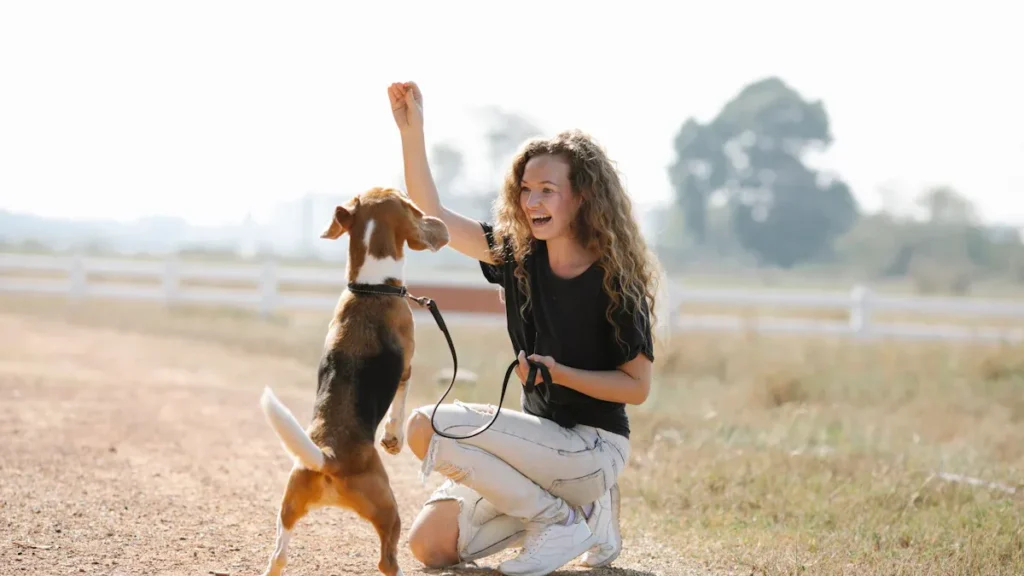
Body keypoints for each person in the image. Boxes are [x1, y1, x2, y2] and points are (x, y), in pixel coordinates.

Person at [386, 81, 660, 576]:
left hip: (593, 449)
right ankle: (584, 519)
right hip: (538, 450)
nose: (533, 200)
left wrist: (561, 373)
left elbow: (637, 388)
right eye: (526, 190)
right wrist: (412, 132)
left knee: (424, 425)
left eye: (548, 190)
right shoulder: (517, 256)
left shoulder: (617, 281)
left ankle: (558, 518)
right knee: (430, 547)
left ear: (582, 198)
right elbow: (434, 218)